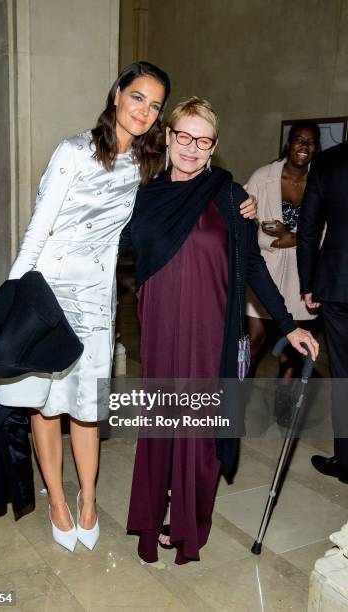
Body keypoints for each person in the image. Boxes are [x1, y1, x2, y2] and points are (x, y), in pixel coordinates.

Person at [5, 64, 257, 553]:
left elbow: (179, 203)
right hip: (50, 292)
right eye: (137, 97)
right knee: (44, 402)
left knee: (85, 406)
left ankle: (89, 501)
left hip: (99, 300)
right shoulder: (73, 152)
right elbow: (38, 229)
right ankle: (59, 500)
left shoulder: (141, 168)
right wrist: (17, 295)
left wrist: (241, 206)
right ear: (117, 94)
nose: (144, 110)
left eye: (155, 104)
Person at [126, 97, 319, 564]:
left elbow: (252, 265)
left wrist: (289, 324)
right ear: (168, 138)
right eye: (184, 137)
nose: (192, 148)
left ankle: (188, 522)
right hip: (159, 325)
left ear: (215, 146)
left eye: (203, 140)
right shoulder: (143, 195)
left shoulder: (231, 197)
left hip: (210, 328)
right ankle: (153, 514)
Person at [245, 121, 320, 419]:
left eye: (311, 142)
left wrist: (292, 237)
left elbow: (327, 229)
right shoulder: (263, 176)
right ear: (288, 143)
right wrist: (276, 240)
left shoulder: (320, 180)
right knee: (252, 342)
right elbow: (248, 227)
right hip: (265, 270)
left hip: (304, 275)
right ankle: (235, 400)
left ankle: (284, 408)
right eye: (298, 140)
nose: (304, 146)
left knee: (295, 348)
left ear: (316, 147)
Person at [297, 140, 348, 483]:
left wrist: (308, 282)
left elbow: (309, 229)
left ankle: (346, 462)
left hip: (337, 283)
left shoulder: (330, 161)